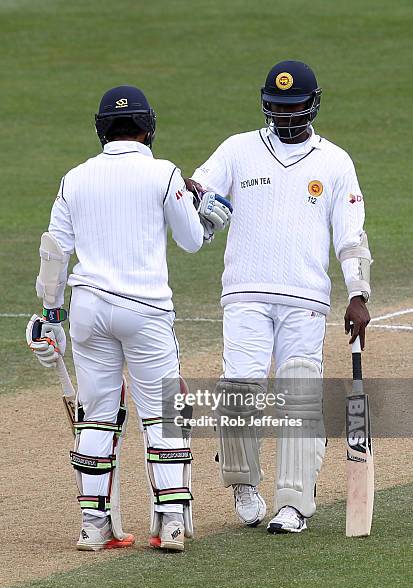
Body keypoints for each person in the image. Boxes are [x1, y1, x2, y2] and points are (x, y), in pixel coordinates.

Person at [26, 85, 231, 551]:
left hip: (89, 309)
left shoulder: (73, 178)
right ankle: (172, 522)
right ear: (148, 126)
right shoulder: (163, 173)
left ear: (102, 128)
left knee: (98, 415)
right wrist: (211, 220)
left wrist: (49, 316)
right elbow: (192, 241)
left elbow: (54, 254)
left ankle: (93, 527)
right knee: (163, 413)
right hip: (145, 310)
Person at [188, 60, 371, 534]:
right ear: (265, 104)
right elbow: (198, 189)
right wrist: (192, 196)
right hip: (244, 290)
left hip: (305, 297)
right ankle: (242, 484)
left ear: (312, 105)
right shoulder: (238, 149)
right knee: (239, 388)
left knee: (298, 393)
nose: (286, 115)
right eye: (277, 106)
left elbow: (351, 235)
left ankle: (294, 502)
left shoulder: (335, 161)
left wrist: (358, 293)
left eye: (294, 107)